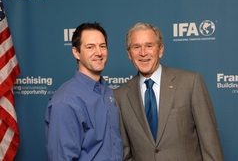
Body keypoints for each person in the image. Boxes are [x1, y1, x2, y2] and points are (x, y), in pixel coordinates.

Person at [114, 22, 224, 161]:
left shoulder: (190, 82)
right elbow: (125, 153)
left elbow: (210, 143)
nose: (143, 53)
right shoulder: (120, 96)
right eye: (136, 47)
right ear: (129, 54)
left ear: (160, 50)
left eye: (149, 46)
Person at [45, 22, 123, 161]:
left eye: (102, 46)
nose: (98, 52)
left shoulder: (109, 93)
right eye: (90, 47)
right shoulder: (66, 101)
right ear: (76, 52)